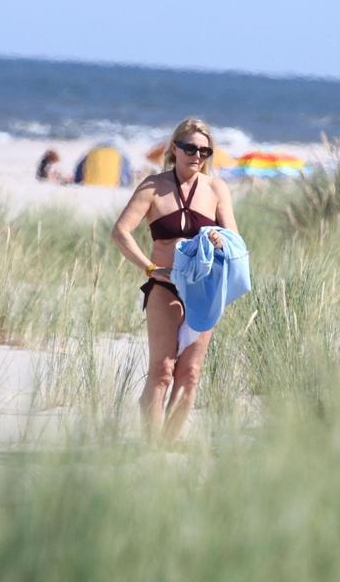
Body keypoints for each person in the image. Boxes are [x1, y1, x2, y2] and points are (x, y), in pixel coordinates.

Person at [111, 118, 239, 444]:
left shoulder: (215, 188)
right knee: (162, 370)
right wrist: (150, 268)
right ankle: (151, 447)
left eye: (205, 150)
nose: (198, 155)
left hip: (203, 290)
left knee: (190, 373)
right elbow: (120, 232)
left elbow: (234, 239)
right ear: (174, 149)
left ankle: (168, 444)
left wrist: (221, 241)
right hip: (165, 286)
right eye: (191, 148)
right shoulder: (153, 187)